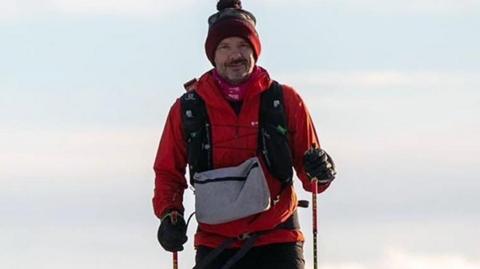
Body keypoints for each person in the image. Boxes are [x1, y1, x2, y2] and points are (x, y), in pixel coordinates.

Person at [152, 1, 336, 268]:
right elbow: (168, 171)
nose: (234, 55)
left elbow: (313, 178)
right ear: (213, 55)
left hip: (278, 239)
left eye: (242, 46)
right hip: (216, 243)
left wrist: (322, 167)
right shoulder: (188, 108)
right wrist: (170, 215)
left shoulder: (285, 100)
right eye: (224, 47)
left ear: (255, 51)